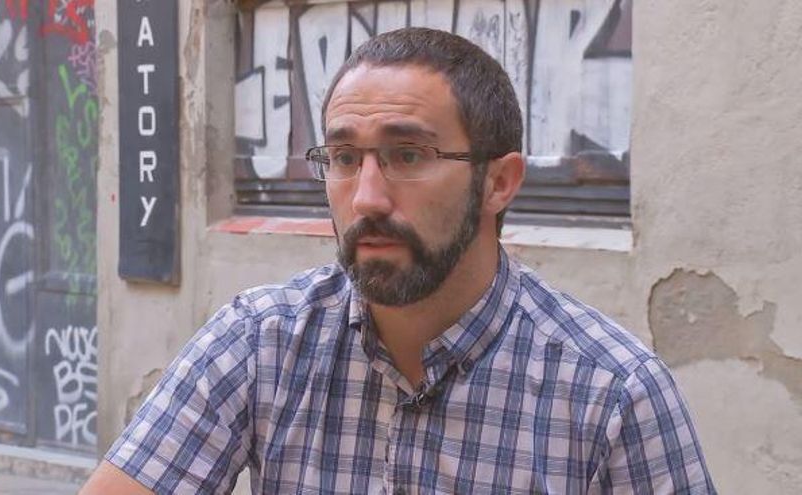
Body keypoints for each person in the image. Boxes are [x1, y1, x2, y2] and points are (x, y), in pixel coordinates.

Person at [81, 27, 715, 494]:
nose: (366, 197)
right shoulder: (261, 342)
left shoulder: (614, 394)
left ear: (499, 182)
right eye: (344, 158)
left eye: (408, 155)